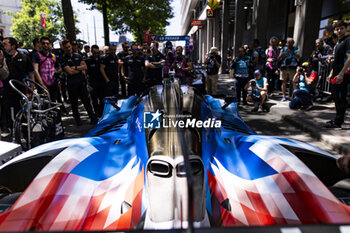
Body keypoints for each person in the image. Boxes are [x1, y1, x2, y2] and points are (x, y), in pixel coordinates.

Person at [60, 39, 97, 126]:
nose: (68, 49)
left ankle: (92, 118)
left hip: (81, 82)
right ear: (63, 49)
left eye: (69, 46)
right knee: (74, 103)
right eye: (66, 47)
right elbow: (69, 72)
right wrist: (79, 69)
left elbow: (85, 67)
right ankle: (77, 120)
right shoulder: (63, 58)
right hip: (71, 84)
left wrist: (75, 68)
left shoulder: (78, 55)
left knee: (86, 101)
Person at [3, 37, 35, 131]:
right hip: (8, 92)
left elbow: (31, 74)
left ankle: (26, 136)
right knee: (11, 117)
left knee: (24, 116)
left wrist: (31, 90)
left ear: (13, 46)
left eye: (5, 44)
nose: (3, 46)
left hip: (21, 92)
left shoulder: (24, 57)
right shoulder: (4, 59)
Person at [325, 20, 350, 129]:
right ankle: (336, 119)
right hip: (335, 74)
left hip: (342, 75)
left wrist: (341, 73)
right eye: (337, 29)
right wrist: (331, 73)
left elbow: (349, 57)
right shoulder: (338, 42)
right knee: (335, 96)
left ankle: (338, 122)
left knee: (340, 97)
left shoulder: (348, 40)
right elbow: (336, 60)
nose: (339, 31)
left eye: (341, 28)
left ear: (345, 28)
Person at [32, 36, 60, 102]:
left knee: (53, 102)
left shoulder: (53, 56)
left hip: (53, 83)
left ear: (50, 44)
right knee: (44, 104)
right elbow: (35, 70)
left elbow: (59, 67)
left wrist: (58, 72)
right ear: (40, 44)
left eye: (47, 43)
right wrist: (42, 84)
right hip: (42, 85)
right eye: (43, 43)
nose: (45, 45)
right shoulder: (36, 55)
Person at [278, 37, 300, 101]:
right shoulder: (283, 49)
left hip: (292, 67)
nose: (290, 44)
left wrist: (292, 53)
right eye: (289, 42)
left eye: (292, 42)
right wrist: (284, 54)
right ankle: (284, 95)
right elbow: (279, 58)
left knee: (294, 81)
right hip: (284, 67)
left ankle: (295, 96)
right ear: (287, 43)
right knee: (284, 81)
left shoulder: (296, 49)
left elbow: (298, 57)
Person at [85, 45, 104, 117]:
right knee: (94, 100)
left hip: (101, 83)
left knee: (102, 99)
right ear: (91, 52)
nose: (96, 54)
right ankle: (96, 114)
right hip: (92, 83)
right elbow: (85, 72)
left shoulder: (101, 59)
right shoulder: (88, 61)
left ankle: (101, 113)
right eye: (94, 53)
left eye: (97, 53)